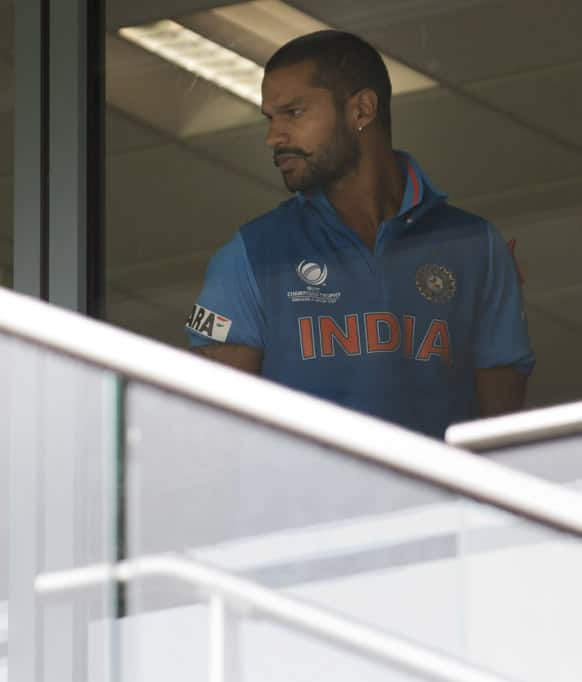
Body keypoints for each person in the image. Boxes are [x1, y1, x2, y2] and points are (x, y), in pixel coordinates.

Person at [184, 30, 535, 439]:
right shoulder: (249, 254)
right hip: (307, 503)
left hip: (439, 502)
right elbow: (216, 433)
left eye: (293, 113)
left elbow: (500, 434)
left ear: (362, 110)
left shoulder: (474, 245)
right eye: (270, 118)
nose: (273, 137)